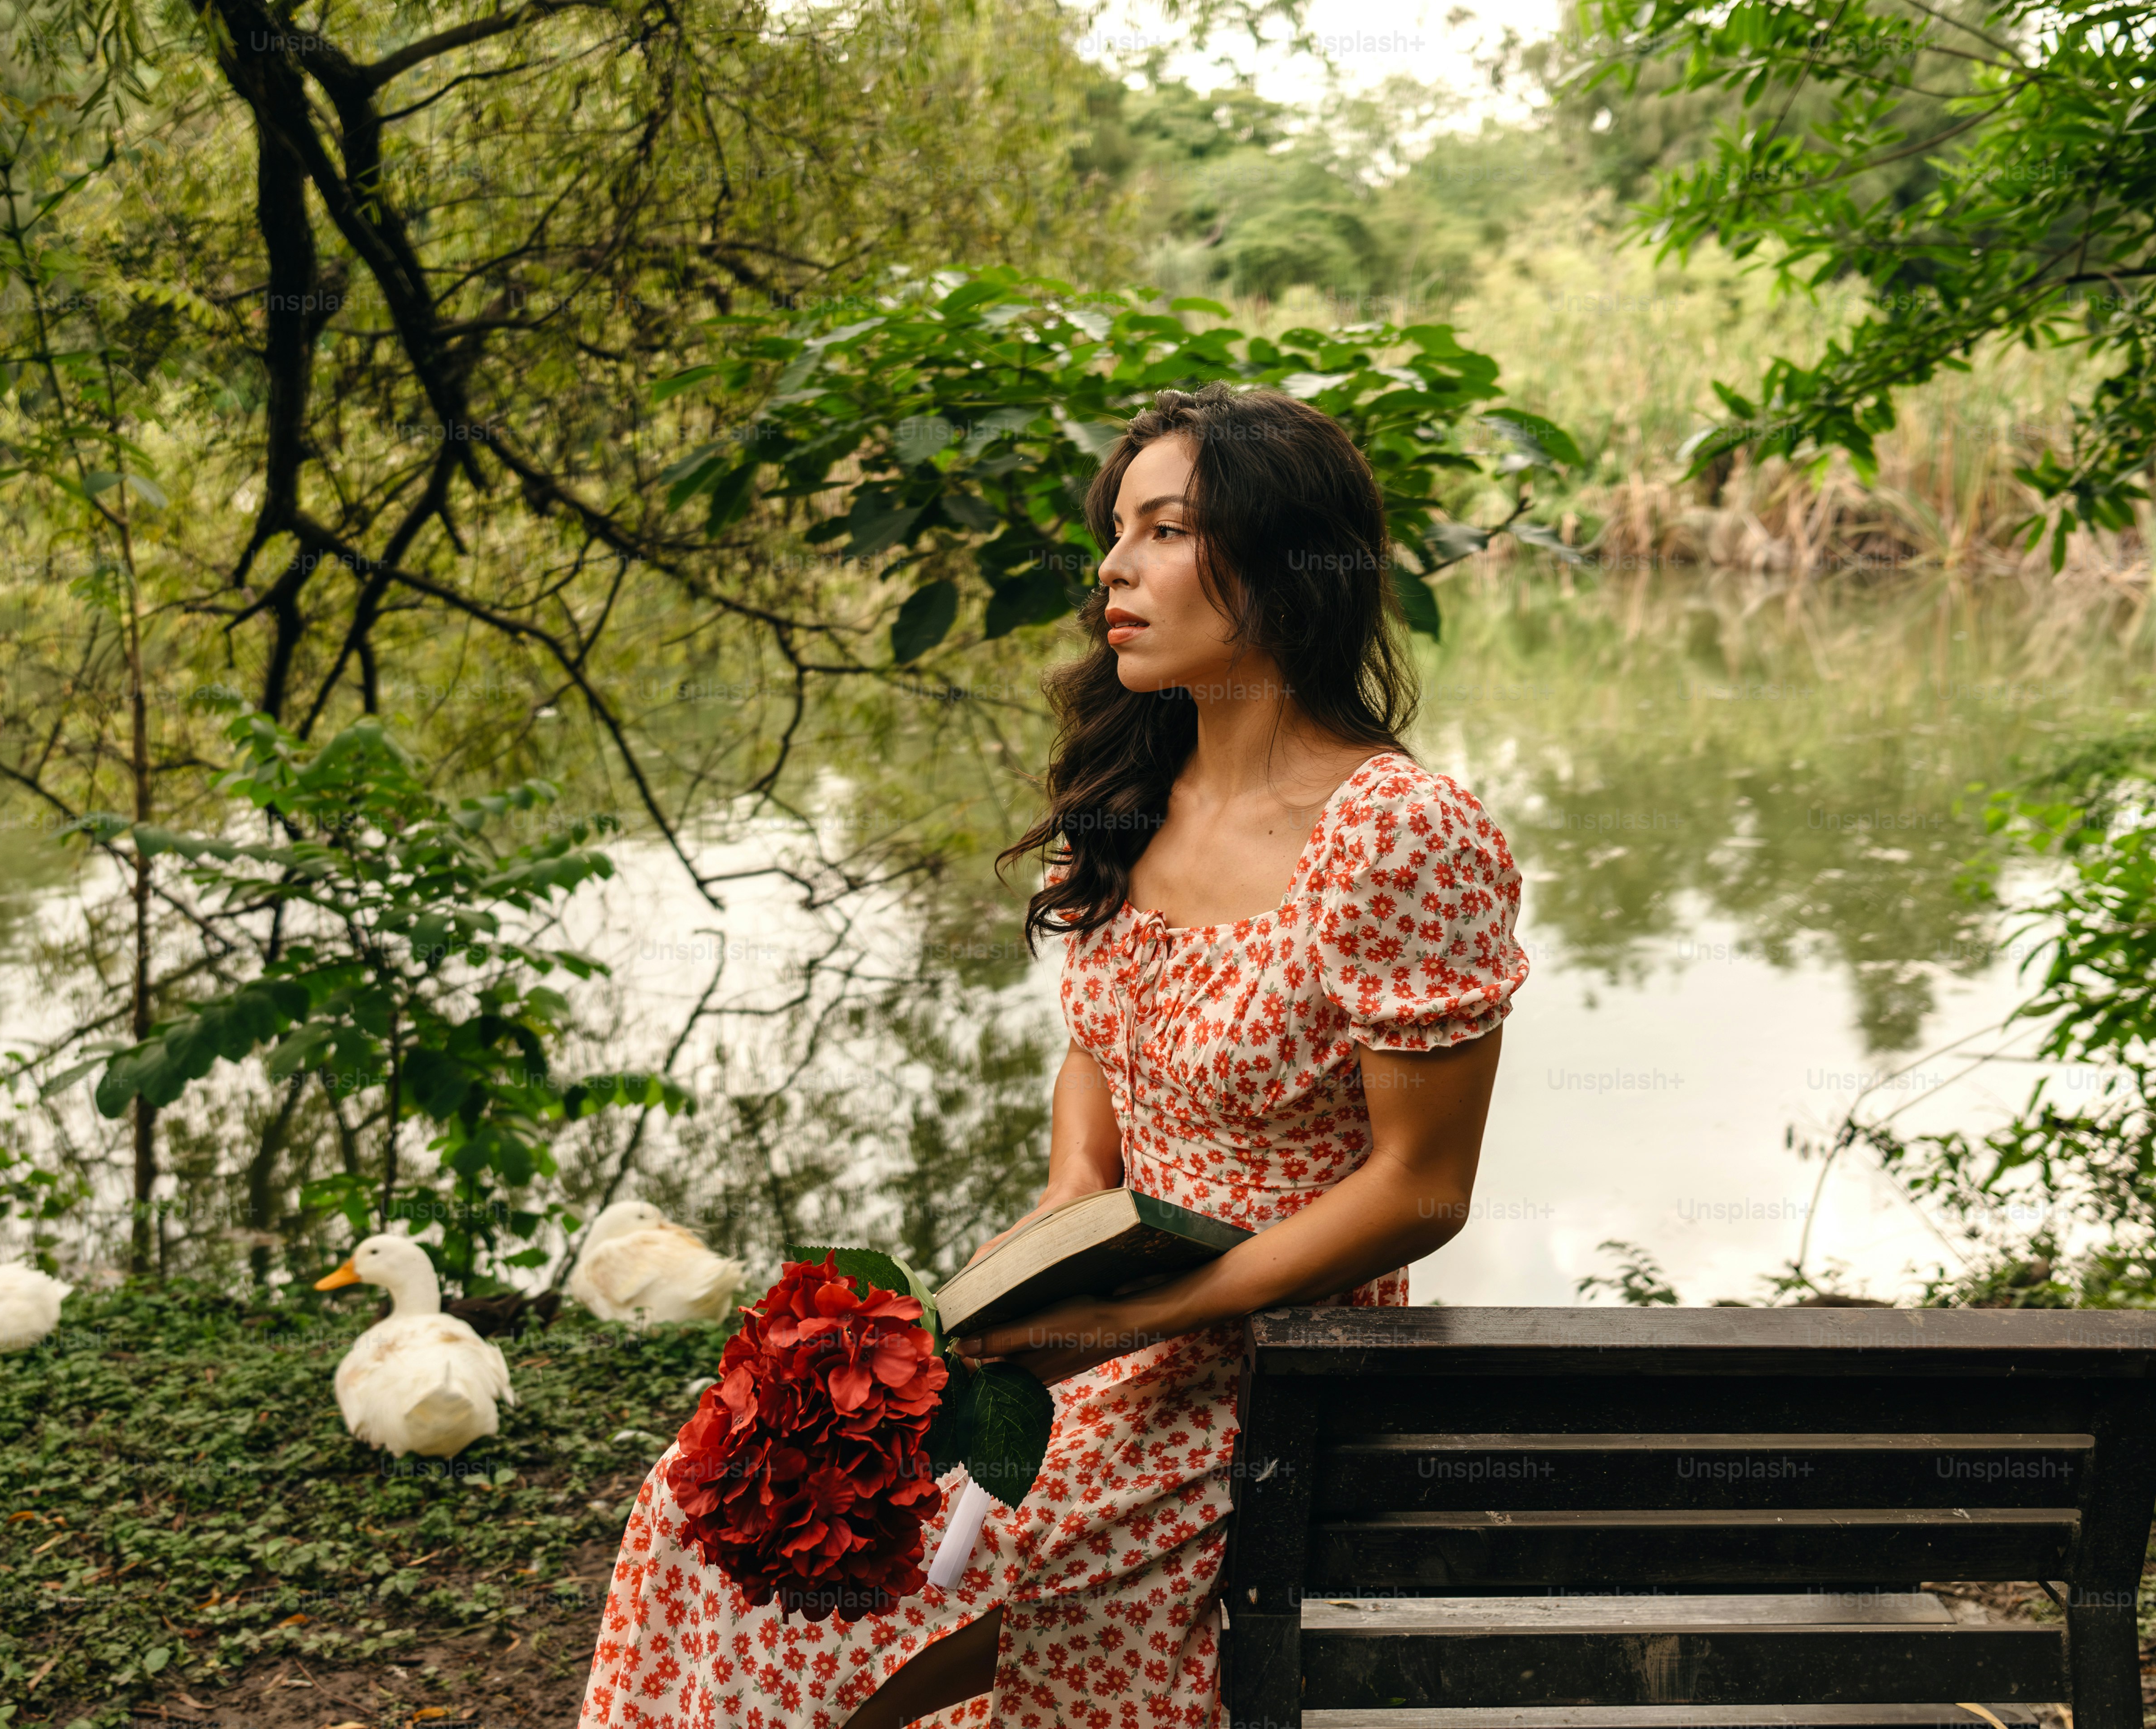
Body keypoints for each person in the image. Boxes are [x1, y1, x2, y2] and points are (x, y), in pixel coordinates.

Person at [578, 381, 1527, 1729]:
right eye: (1116, 531)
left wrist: (1138, 1322)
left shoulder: (1396, 833)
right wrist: (1059, 1227)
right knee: (708, 1509)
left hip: (1267, 1371)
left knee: (846, 1621)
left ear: (1290, 562)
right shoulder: (1131, 793)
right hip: (1093, 1322)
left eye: (1165, 530)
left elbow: (1421, 1188)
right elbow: (1102, 1059)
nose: (1114, 568)